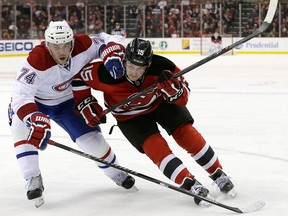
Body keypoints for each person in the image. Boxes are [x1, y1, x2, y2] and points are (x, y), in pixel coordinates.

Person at [71, 38, 237, 206]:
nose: (134, 72)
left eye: (140, 68)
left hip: (160, 103)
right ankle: (189, 183)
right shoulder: (106, 72)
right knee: (155, 147)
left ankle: (217, 173)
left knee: (186, 133)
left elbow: (184, 96)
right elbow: (78, 78)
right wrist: (86, 102)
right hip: (129, 116)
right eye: (130, 66)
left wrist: (176, 92)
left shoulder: (162, 66)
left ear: (148, 64)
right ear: (124, 59)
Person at [8, 20, 135, 207]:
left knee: (94, 141)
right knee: (22, 131)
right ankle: (32, 178)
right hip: (36, 103)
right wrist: (32, 116)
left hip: (67, 103)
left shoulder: (83, 44)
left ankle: (115, 171)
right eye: (55, 46)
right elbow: (20, 94)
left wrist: (111, 51)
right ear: (47, 44)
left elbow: (108, 39)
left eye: (65, 45)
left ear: (72, 42)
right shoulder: (37, 59)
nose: (61, 51)